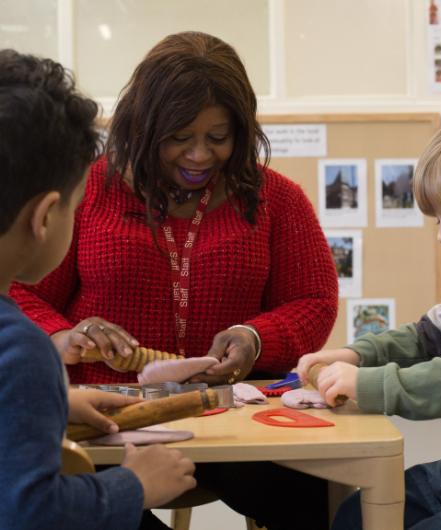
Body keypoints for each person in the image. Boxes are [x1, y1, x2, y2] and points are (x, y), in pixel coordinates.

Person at [8, 32, 338, 530]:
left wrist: (255, 338)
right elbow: (20, 291)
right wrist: (62, 337)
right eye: (179, 138)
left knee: (317, 499)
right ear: (142, 128)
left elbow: (313, 300)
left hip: (231, 420)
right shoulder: (89, 189)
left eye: (219, 137)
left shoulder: (277, 200)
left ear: (243, 131)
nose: (200, 155)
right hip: (105, 418)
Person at [298, 105, 441, 530]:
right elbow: (422, 338)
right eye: (439, 219)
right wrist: (355, 355)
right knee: (353, 515)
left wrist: (370, 387)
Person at [0, 49, 196, 530]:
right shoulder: (20, 349)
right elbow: (29, 513)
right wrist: (135, 485)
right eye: (76, 204)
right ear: (45, 217)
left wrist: (53, 407)